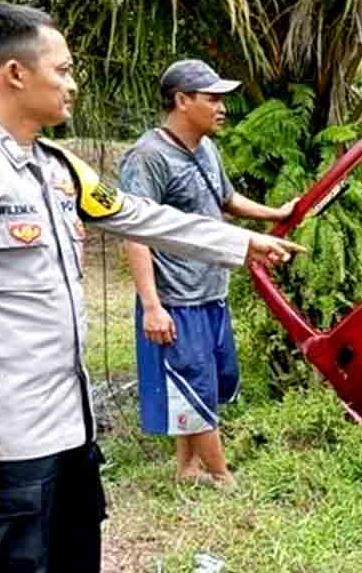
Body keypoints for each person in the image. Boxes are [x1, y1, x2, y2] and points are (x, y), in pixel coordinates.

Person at [0, 2, 304, 572]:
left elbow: (139, 215)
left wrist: (240, 243)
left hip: (67, 429)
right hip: (5, 442)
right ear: (15, 73)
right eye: (63, 69)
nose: (73, 85)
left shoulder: (57, 167)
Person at [118, 60, 295, 488]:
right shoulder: (148, 157)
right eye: (212, 98)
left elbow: (226, 199)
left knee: (202, 384)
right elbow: (133, 232)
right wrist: (152, 307)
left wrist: (276, 213)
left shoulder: (206, 149)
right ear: (182, 101)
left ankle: (188, 468)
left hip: (211, 289)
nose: (222, 108)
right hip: (176, 298)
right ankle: (223, 478)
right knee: (194, 383)